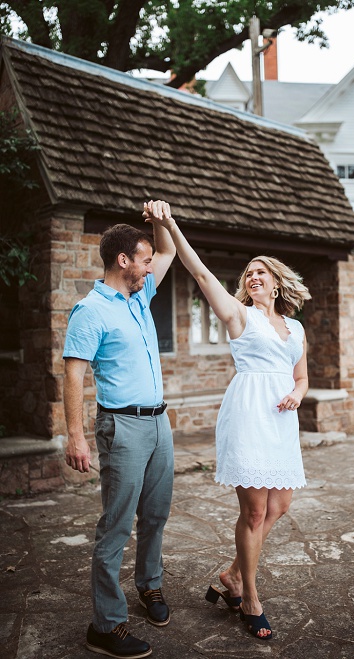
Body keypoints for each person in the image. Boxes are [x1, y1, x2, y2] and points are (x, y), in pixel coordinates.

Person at [142, 200, 309, 640]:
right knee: (254, 512)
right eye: (247, 274)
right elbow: (198, 272)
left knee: (280, 505)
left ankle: (233, 573)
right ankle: (250, 597)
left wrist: (296, 393)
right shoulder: (240, 316)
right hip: (250, 413)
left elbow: (303, 377)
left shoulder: (297, 329)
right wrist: (171, 225)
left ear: (276, 283)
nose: (252, 277)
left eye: (261, 273)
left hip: (281, 420)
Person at [63, 220, 176, 658]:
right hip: (122, 427)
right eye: (142, 261)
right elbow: (73, 372)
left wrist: (161, 222)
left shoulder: (140, 296)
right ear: (123, 260)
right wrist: (75, 437)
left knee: (156, 514)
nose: (151, 268)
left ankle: (149, 587)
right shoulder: (91, 310)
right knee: (116, 525)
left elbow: (166, 253)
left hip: (158, 424)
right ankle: (106, 626)